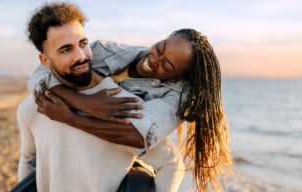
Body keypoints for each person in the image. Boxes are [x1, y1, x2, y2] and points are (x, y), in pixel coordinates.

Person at [31, 24, 233, 192]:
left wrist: (71, 118)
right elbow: (46, 67)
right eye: (160, 48)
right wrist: (84, 103)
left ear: (179, 76)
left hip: (128, 154)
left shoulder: (179, 95)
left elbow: (137, 137)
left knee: (172, 164)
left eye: (167, 67)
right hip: (86, 142)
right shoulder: (108, 50)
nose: (153, 60)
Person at [17, 2, 184, 192]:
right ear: (45, 60)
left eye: (83, 44)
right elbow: (28, 159)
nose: (80, 56)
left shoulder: (120, 104)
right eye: (66, 50)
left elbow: (172, 165)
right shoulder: (33, 107)